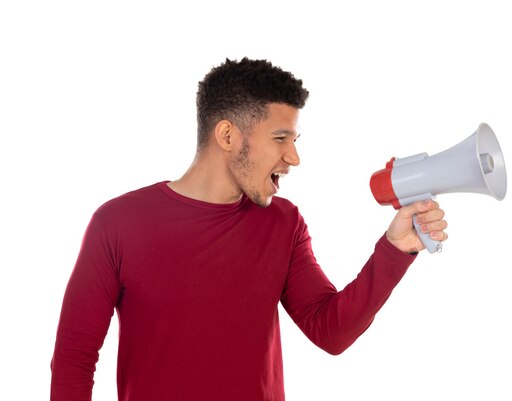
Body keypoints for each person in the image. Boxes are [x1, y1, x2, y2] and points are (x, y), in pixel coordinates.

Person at [50, 58, 448, 401]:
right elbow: (74, 358)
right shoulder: (118, 223)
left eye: (294, 139)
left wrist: (395, 248)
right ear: (227, 136)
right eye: (280, 139)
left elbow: (331, 331)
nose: (293, 157)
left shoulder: (284, 222)